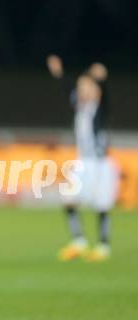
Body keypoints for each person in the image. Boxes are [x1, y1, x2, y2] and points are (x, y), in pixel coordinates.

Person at [46, 54, 118, 262]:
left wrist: (102, 78)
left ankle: (103, 246)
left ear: (96, 90)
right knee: (68, 198)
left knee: (101, 206)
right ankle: (79, 241)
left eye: (87, 87)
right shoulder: (80, 107)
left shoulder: (100, 109)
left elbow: (106, 94)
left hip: (100, 164)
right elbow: (67, 88)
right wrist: (58, 73)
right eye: (81, 87)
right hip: (83, 162)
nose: (82, 90)